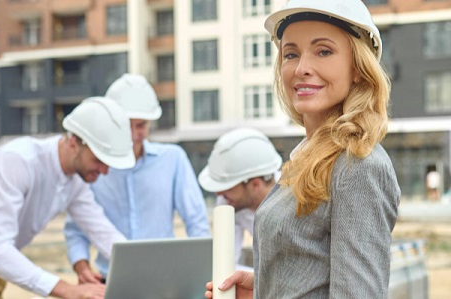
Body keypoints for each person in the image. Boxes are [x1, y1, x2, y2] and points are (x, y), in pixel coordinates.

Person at [206, 0, 400, 297]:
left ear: (359, 68)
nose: (302, 68)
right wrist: (262, 289)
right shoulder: (307, 157)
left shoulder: (358, 165)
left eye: (323, 51)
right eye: (291, 54)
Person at [0, 97, 136, 299]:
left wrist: (142, 271)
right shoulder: (19, 160)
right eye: (99, 160)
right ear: (73, 143)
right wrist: (67, 290)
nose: (105, 171)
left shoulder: (76, 182)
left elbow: (102, 230)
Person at [64, 74, 210, 284]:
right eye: (126, 125)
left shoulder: (173, 159)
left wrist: (200, 272)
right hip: (108, 280)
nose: (132, 134)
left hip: (164, 281)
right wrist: (82, 266)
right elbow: (77, 227)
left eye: (140, 125)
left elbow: (196, 222)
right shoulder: (92, 168)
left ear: (150, 123)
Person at [198, 128, 282, 269]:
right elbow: (225, 263)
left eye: (228, 187)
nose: (219, 194)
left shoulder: (294, 200)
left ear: (255, 184)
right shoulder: (228, 201)